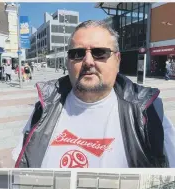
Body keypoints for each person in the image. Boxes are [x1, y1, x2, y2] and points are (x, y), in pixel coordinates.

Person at [13, 20, 175, 168]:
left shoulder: (148, 113)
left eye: (99, 52)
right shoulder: (43, 109)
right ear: (68, 62)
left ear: (117, 60)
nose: (88, 61)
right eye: (78, 53)